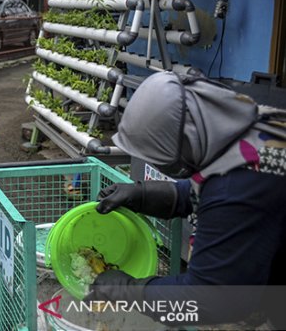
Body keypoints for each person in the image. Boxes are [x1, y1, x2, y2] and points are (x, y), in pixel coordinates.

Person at [87, 71, 286, 327]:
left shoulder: (241, 182)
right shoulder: (244, 123)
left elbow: (211, 303)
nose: (159, 165)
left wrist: (126, 291)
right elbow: (206, 191)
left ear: (187, 139)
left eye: (163, 158)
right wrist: (141, 195)